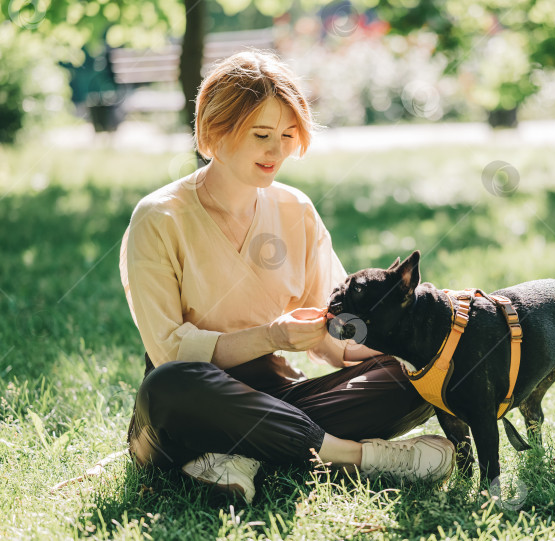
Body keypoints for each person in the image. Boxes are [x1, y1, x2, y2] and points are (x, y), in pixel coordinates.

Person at [119, 50, 455, 504]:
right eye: (261, 135)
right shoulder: (159, 218)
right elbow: (170, 351)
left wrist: (427, 337)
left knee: (417, 369)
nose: (277, 151)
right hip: (193, 403)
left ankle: (244, 454)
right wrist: (272, 335)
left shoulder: (295, 209)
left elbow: (338, 339)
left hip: (281, 396)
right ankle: (362, 458)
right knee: (167, 384)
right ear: (215, 132)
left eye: (287, 135)